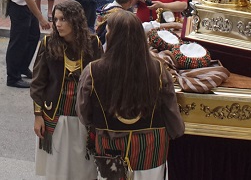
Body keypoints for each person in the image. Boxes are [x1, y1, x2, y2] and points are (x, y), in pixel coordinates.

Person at [77, 10, 185, 180]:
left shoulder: (92, 70)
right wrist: (176, 131)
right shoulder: (158, 69)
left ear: (113, 36)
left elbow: (84, 113)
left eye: (109, 30)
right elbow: (170, 109)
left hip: (110, 147)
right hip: (151, 147)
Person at [30, 1, 102, 180]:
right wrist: (38, 116)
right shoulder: (48, 43)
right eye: (55, 20)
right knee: (57, 169)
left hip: (84, 117)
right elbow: (38, 83)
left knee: (83, 168)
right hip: (55, 115)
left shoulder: (94, 43)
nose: (58, 24)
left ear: (75, 19)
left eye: (63, 19)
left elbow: (102, 82)